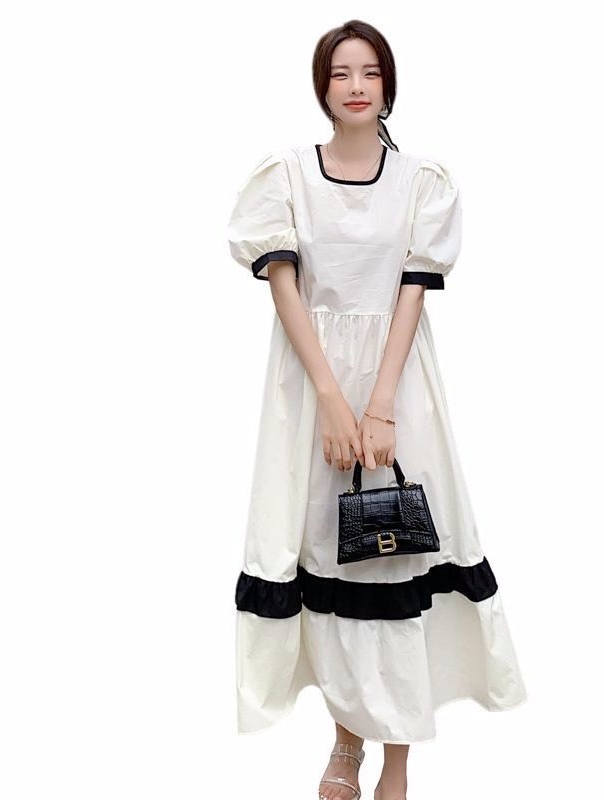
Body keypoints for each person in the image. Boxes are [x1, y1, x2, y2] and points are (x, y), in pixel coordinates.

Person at [226, 19, 528, 800]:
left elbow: (411, 295)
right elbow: (284, 288)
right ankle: (345, 741)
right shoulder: (286, 175)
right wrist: (332, 400)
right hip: (309, 389)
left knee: (396, 556)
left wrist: (381, 404)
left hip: (400, 386)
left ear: (388, 83)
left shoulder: (423, 180)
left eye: (369, 71)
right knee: (329, 559)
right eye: (340, 73)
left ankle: (396, 762)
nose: (355, 85)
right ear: (321, 87)